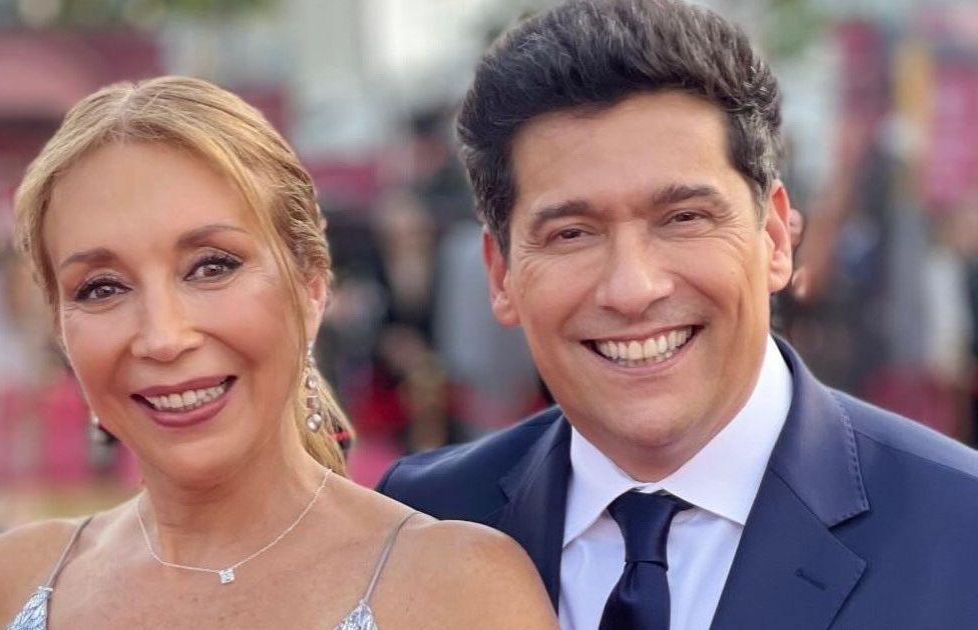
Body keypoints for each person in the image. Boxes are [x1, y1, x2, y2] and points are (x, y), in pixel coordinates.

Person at [377, 1, 978, 629]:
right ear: (500, 273)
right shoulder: (418, 523)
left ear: (774, 237)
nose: (633, 289)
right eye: (573, 234)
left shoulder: (960, 532)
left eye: (684, 219)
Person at [0, 76, 557, 630]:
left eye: (212, 267)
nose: (162, 336)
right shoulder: (7, 583)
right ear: (59, 328)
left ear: (312, 287)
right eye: (102, 288)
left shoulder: (458, 588)